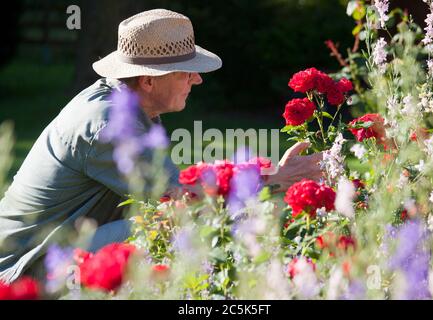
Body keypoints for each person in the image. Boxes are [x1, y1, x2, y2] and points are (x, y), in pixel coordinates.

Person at [0, 9, 322, 284]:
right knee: (174, 226)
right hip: (27, 269)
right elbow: (184, 200)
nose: (197, 80)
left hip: (58, 247)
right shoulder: (108, 124)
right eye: (186, 72)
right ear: (149, 81)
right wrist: (277, 178)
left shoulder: (127, 107)